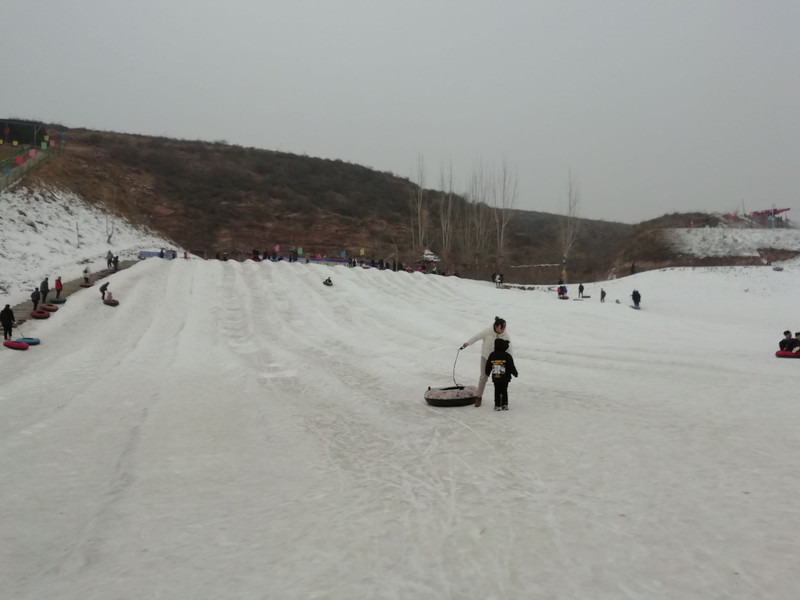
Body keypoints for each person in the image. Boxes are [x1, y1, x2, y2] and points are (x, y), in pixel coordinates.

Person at [461, 316, 512, 407]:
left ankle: (501, 398)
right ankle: (479, 397)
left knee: (500, 380)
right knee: (483, 377)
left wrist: (509, 361)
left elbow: (509, 349)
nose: (503, 329)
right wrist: (468, 343)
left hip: (499, 361)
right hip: (486, 357)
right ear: (496, 326)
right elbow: (477, 336)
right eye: (502, 327)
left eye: (504, 327)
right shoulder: (487, 331)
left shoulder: (505, 335)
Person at [485, 338, 518, 411]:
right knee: (504, 390)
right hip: (505, 378)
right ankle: (504, 404)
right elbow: (511, 366)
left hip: (496, 377)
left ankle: (497, 405)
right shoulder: (507, 356)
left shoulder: (492, 355)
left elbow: (488, 365)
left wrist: (487, 372)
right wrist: (515, 373)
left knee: (497, 390)